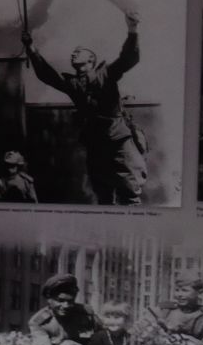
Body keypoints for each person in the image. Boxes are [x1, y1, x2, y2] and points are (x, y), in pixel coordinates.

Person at [22, 11, 146, 204]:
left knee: (130, 193)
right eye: (73, 52)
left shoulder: (106, 74)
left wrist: (132, 29)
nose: (73, 53)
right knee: (103, 195)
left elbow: (128, 58)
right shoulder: (73, 84)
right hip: (95, 144)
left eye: (79, 51)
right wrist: (31, 48)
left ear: (91, 60)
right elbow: (48, 75)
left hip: (118, 141)